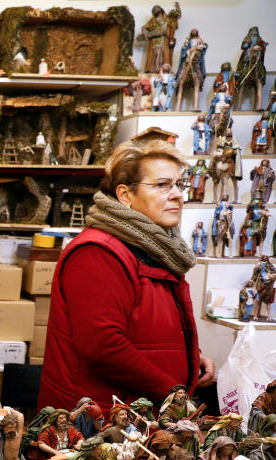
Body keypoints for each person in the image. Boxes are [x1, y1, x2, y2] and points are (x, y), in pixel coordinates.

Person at [39, 140, 213, 415]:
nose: (177, 195)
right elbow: (103, 345)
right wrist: (173, 396)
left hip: (141, 413)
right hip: (105, 422)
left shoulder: (157, 247)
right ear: (125, 195)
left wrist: (191, 358)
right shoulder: (98, 252)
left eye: (180, 185)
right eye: (162, 185)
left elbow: (149, 324)